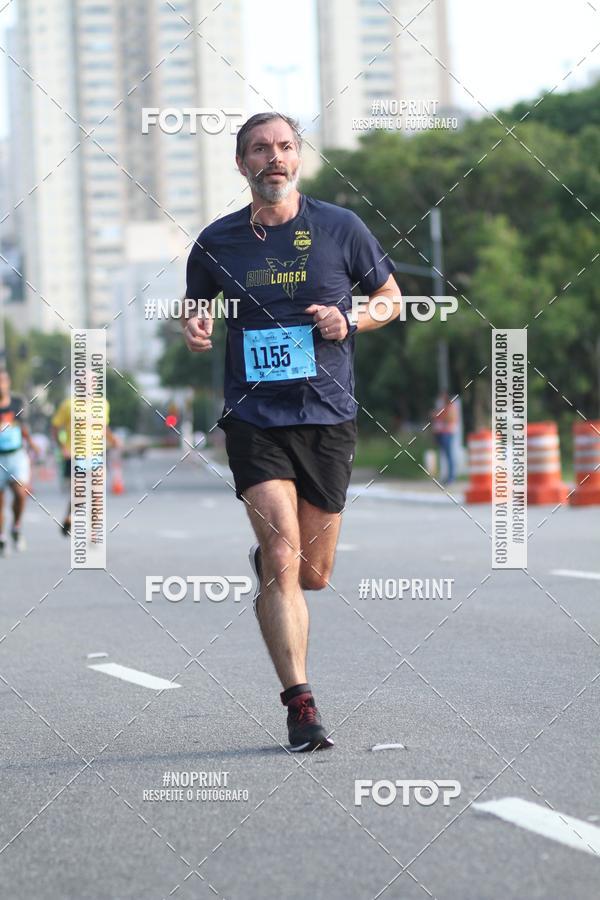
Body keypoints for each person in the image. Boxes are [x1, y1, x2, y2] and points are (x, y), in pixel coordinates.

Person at [183, 112, 401, 751]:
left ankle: (271, 565)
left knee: (313, 573)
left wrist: (350, 319)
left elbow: (390, 298)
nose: (273, 158)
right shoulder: (217, 241)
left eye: (283, 147)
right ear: (242, 164)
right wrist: (194, 324)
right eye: (259, 149)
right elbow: (196, 303)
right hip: (255, 418)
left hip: (327, 416)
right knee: (282, 554)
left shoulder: (341, 227)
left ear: (298, 158)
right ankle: (301, 706)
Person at [51, 388, 118, 536]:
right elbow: (55, 428)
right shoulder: (69, 405)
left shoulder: (102, 404)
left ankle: (94, 531)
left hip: (96, 455)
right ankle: (70, 516)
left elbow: (103, 427)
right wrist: (62, 447)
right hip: (75, 455)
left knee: (97, 494)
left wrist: (113, 439)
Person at [0, 370, 39, 555]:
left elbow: (23, 427)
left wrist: (32, 444)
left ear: (8, 383)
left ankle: (16, 527)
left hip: (16, 455)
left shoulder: (17, 402)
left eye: (3, 380)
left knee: (20, 494)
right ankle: (1, 537)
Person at [431, 391, 459, 484]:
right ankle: (445, 476)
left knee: (449, 455)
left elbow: (450, 418)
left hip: (447, 433)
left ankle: (451, 477)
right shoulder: (441, 407)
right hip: (440, 433)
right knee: (443, 455)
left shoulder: (450, 407)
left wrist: (439, 415)